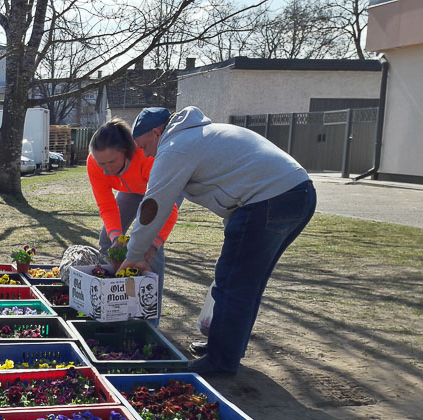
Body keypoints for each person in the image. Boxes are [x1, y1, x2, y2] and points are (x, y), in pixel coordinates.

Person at [121, 106, 317, 375]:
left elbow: (153, 204)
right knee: (247, 282)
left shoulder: (176, 146)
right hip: (297, 194)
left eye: (144, 146)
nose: (146, 154)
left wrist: (134, 254)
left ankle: (221, 361)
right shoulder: (200, 135)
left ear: (157, 132)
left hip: (272, 199)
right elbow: (235, 181)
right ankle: (227, 347)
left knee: (233, 282)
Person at [86, 118, 179, 321]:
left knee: (148, 246)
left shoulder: (148, 159)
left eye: (111, 162)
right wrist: (116, 236)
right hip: (130, 189)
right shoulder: (95, 164)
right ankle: (114, 301)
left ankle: (149, 316)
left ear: (127, 152)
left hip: (157, 188)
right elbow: (106, 205)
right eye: (101, 163)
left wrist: (152, 246)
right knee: (107, 240)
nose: (106, 169)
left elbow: (169, 211)